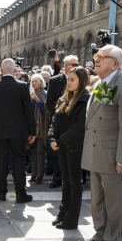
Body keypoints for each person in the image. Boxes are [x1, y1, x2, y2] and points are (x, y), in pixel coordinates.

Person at [78, 45, 122, 241]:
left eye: (102, 57)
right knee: (98, 200)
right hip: (97, 152)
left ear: (115, 63)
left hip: (113, 155)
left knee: (113, 202)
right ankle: (101, 235)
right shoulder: (105, 82)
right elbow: (99, 114)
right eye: (96, 56)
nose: (96, 59)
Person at [0, 58, 36, 203]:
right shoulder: (22, 86)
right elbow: (28, 111)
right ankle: (21, 193)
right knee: (19, 160)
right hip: (19, 131)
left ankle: (0, 192)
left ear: (0, 70)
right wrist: (33, 131)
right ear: (14, 71)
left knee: (1, 161)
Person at [47, 67, 90, 229]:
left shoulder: (85, 99)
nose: (69, 82)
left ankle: (71, 219)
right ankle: (63, 213)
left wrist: (60, 141)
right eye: (68, 79)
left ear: (82, 81)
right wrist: (52, 138)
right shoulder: (64, 98)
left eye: (73, 80)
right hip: (63, 146)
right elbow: (54, 121)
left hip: (75, 147)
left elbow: (80, 126)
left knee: (74, 183)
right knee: (66, 183)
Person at [47, 55, 79, 189]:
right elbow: (50, 101)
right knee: (57, 150)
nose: (66, 67)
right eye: (73, 64)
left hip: (74, 122)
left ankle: (76, 179)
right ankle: (57, 178)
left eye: (72, 64)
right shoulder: (55, 80)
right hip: (59, 120)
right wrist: (61, 114)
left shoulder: (81, 79)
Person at [28, 74, 49, 184]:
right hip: (32, 127)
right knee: (33, 152)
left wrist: (38, 101)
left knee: (40, 152)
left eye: (36, 81)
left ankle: (40, 175)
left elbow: (46, 110)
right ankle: (34, 174)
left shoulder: (45, 94)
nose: (34, 83)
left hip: (42, 128)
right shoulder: (29, 94)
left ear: (41, 82)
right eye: (33, 81)